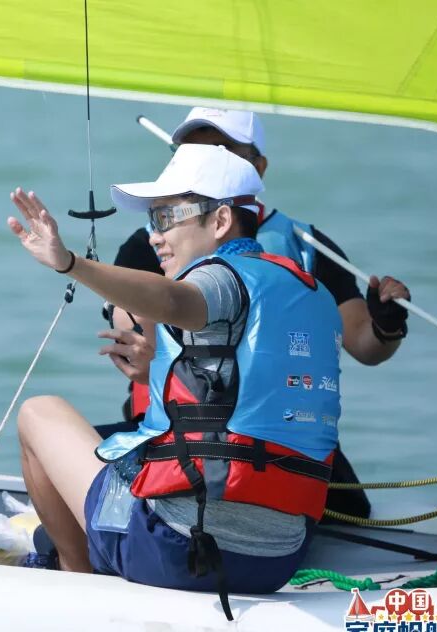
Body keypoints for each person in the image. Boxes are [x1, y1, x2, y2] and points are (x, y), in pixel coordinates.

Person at [9, 144, 342, 614]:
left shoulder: (219, 280)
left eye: (166, 218)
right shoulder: (310, 292)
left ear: (221, 221)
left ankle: (76, 583)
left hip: (178, 549)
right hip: (278, 558)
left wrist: (70, 263)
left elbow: (171, 301)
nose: (153, 236)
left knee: (38, 414)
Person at [97, 107, 413, 520]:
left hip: (277, 438)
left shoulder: (305, 246)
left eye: (222, 150)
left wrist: (386, 323)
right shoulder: (153, 243)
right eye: (190, 150)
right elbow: (132, 327)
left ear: (258, 167)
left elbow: (364, 344)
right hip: (175, 430)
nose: (205, 158)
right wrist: (150, 355)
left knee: (352, 510)